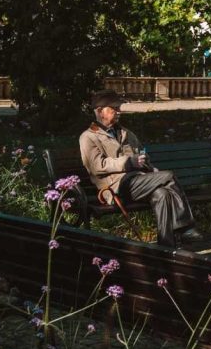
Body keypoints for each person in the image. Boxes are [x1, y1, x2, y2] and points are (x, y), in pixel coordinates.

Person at [79, 90, 202, 248]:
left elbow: (142, 155)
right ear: (99, 111)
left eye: (119, 108)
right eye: (114, 108)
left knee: (162, 194)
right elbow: (97, 166)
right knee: (169, 176)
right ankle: (186, 227)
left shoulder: (126, 133)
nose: (119, 112)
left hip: (139, 181)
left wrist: (148, 166)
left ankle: (166, 247)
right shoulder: (88, 137)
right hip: (116, 187)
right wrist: (129, 162)